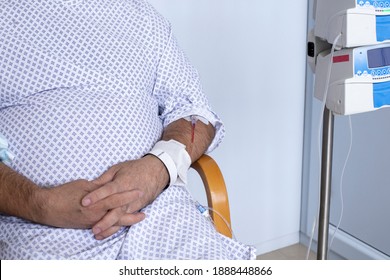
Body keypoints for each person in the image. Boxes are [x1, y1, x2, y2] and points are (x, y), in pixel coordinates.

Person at [0, 0, 255, 259]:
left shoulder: (143, 19)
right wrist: (40, 204)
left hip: (162, 217)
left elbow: (194, 112)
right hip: (37, 230)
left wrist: (158, 167)